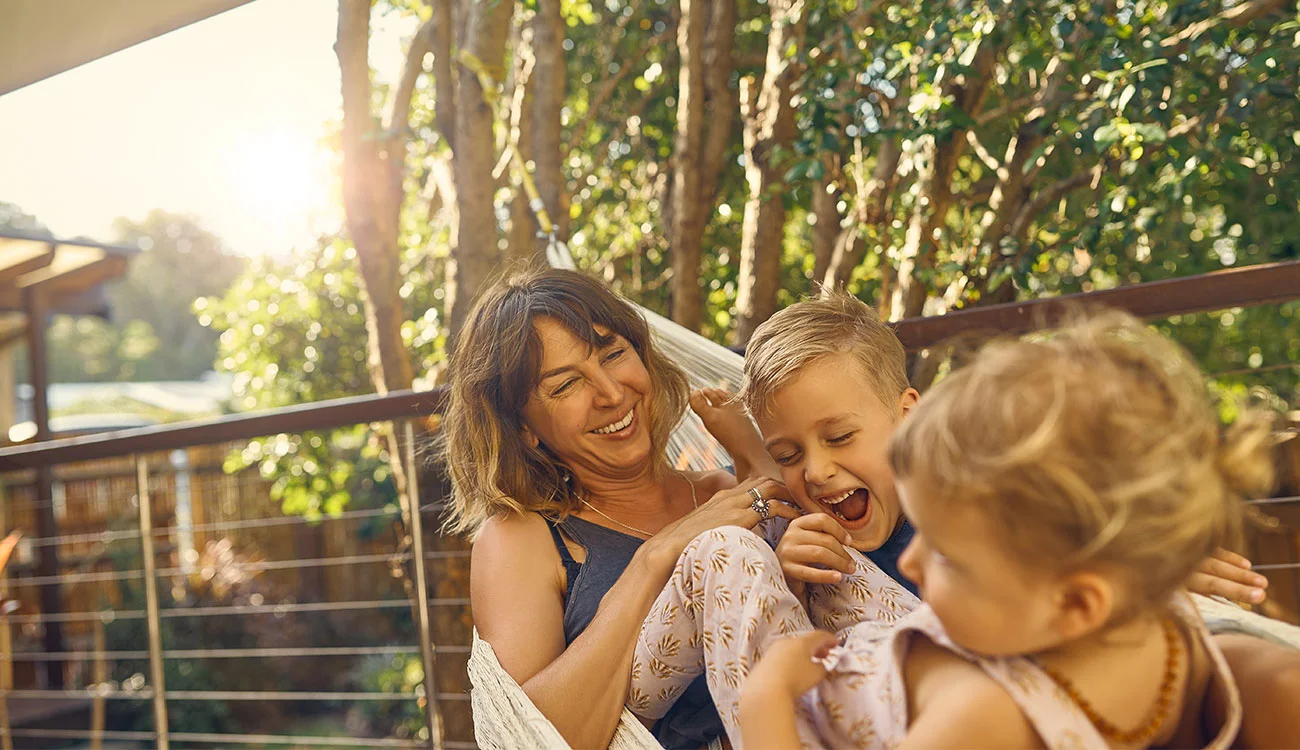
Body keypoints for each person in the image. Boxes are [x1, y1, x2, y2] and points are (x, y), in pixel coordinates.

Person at [632, 312, 1295, 747]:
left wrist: (769, 693)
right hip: (858, 657)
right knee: (750, 547)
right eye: (785, 455)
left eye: (946, 553)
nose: (918, 559)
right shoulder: (1187, 647)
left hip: (811, 702)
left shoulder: (977, 715)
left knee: (728, 550)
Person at [693, 290, 1271, 615]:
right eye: (788, 454)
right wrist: (788, 580)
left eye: (840, 437)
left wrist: (1151, 561)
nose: (816, 471)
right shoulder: (795, 530)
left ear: (908, 414)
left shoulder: (982, 493)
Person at [442, 267, 798, 749]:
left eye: (613, 354)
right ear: (523, 427)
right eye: (566, 385)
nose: (610, 394)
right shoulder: (524, 538)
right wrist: (657, 557)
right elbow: (532, 739)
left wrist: (754, 456)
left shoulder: (725, 494)